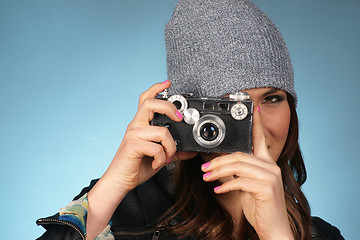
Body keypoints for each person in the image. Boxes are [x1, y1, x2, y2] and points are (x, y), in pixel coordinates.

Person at [37, 0, 344, 239]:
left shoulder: (320, 235)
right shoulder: (121, 209)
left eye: (272, 99)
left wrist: (276, 235)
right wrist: (114, 185)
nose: (255, 126)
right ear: (188, 115)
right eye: (230, 106)